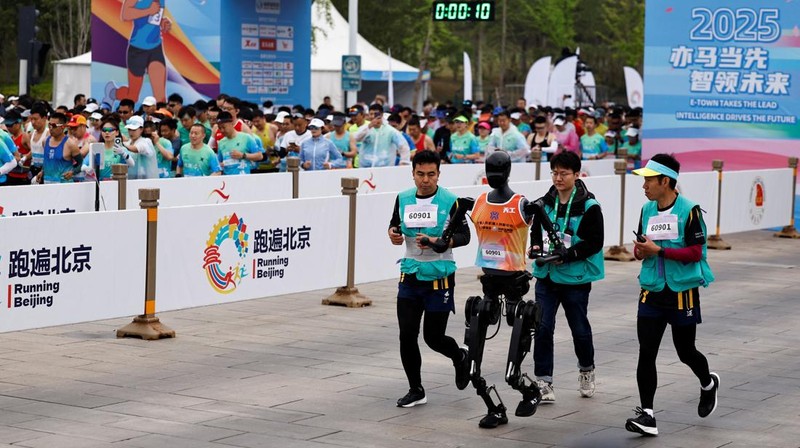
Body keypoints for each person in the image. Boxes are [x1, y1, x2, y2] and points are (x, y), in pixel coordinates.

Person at [625, 154, 718, 437]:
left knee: (685, 351)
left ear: (666, 181)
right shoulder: (646, 209)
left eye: (649, 181)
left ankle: (708, 383)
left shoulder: (689, 210)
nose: (645, 186)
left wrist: (660, 251)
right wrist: (641, 250)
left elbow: (696, 253)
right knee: (646, 352)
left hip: (681, 292)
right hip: (651, 290)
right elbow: (642, 249)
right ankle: (648, 415)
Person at [387, 150, 471, 409]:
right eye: (420, 174)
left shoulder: (451, 201)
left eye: (431, 174)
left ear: (438, 174)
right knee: (407, 335)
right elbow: (394, 225)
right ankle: (416, 389)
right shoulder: (402, 198)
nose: (425, 180)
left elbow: (465, 236)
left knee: (433, 338)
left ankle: (460, 356)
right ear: (412, 174)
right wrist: (393, 234)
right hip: (410, 274)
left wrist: (440, 242)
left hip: (439, 277)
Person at [530, 151, 605, 404]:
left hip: (575, 279)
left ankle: (586, 369)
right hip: (547, 276)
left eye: (564, 173)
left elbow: (595, 243)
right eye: (555, 173)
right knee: (542, 327)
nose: (558, 178)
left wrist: (569, 254)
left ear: (577, 175)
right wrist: (536, 248)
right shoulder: (544, 203)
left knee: (579, 329)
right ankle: (543, 381)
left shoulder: (589, 206)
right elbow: (535, 231)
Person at [103, 0, 172, 107]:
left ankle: (159, 121)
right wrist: (149, 10)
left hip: (155, 48)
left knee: (161, 99)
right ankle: (112, 92)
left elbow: (153, 19)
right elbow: (125, 14)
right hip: (137, 50)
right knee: (132, 98)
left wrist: (163, 22)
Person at [216, 111, 262, 175]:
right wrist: (220, 165)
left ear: (231, 123)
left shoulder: (246, 138)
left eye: (224, 127)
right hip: (227, 180)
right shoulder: (221, 143)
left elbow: (260, 156)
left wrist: (243, 155)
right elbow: (219, 162)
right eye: (219, 128)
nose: (222, 130)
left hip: (243, 178)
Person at [42, 113, 82, 184]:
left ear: (63, 126)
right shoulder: (45, 141)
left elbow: (81, 164)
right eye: (49, 125)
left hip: (64, 186)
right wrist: (42, 172)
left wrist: (72, 172)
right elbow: (48, 161)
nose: (51, 128)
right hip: (47, 184)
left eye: (54, 126)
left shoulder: (70, 144)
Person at [123, 115, 159, 179]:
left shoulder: (146, 142)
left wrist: (121, 145)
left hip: (148, 183)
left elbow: (136, 148)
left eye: (134, 129)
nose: (131, 132)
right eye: (129, 129)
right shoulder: (128, 142)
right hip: (131, 182)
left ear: (141, 129)